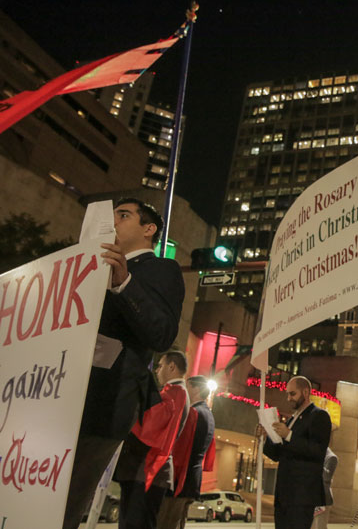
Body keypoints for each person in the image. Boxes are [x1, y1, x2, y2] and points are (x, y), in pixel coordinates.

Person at [62, 198, 185, 529]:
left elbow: (161, 334)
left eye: (124, 214)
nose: (113, 220)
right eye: (112, 214)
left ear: (149, 229)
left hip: (101, 403)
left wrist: (123, 283)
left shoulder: (160, 269)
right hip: (56, 394)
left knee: (61, 508)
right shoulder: (85, 267)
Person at [116, 351, 190, 529]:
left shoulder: (176, 393)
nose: (157, 370)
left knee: (136, 523)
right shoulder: (174, 393)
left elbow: (151, 428)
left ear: (172, 367)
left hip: (148, 470)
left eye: (161, 365)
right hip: (145, 470)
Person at [257, 376, 332, 529]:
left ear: (305, 392)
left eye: (292, 394)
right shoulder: (292, 420)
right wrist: (266, 438)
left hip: (301, 496)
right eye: (287, 394)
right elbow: (278, 454)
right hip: (284, 495)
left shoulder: (319, 416)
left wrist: (289, 435)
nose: (288, 398)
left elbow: (317, 451)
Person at [156, 375, 216, 529]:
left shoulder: (193, 413)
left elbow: (180, 449)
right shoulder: (208, 414)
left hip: (180, 479)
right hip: (192, 479)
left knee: (166, 522)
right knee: (178, 522)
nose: (185, 391)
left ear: (196, 389)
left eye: (187, 387)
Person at [310, 447, 338, 529]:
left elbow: (325, 478)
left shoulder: (331, 457)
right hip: (311, 498)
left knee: (319, 526)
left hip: (322, 500)